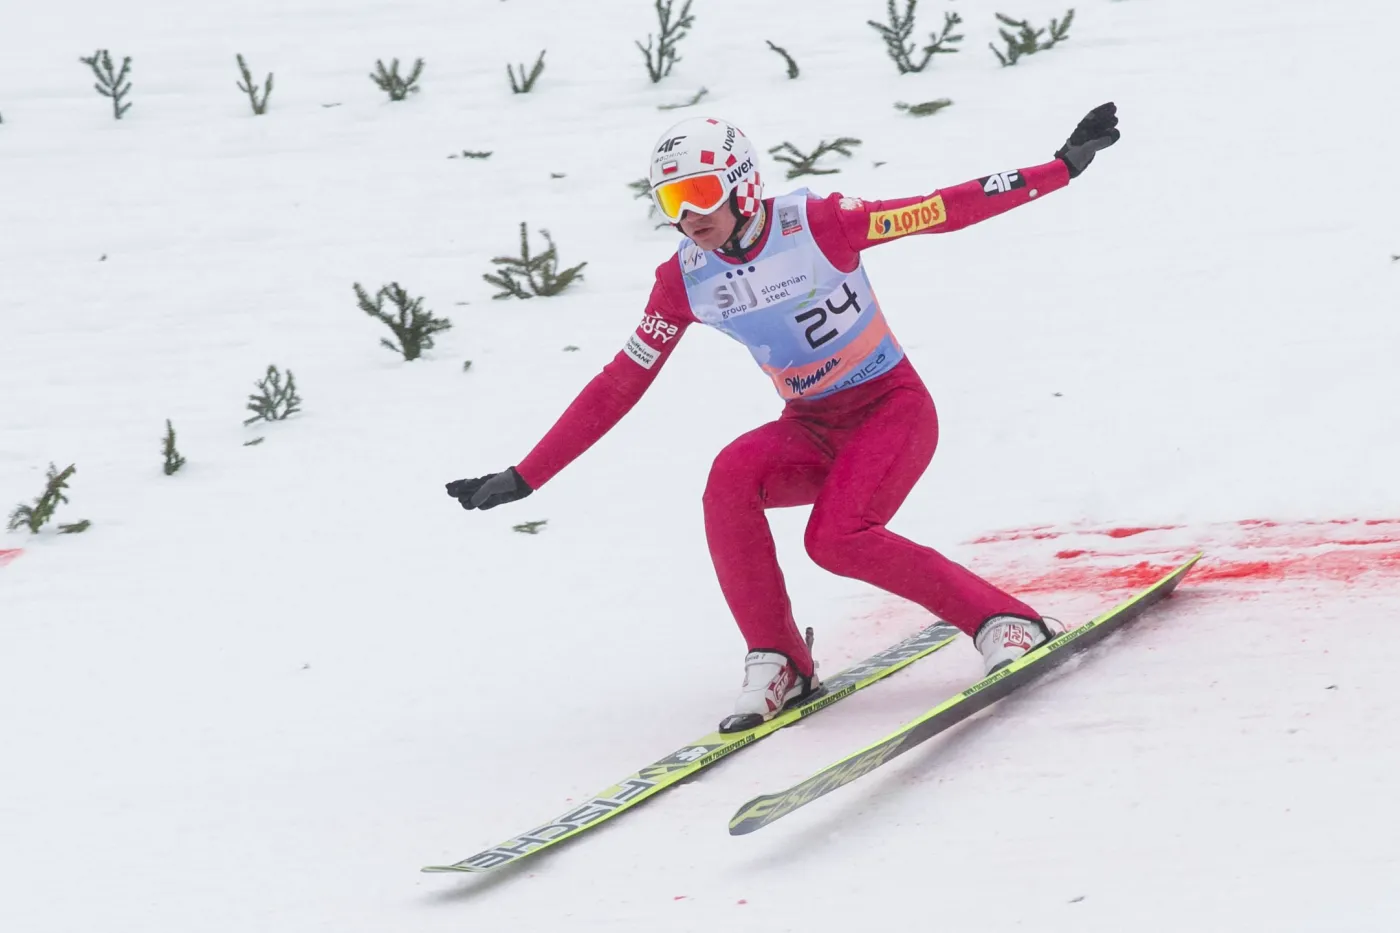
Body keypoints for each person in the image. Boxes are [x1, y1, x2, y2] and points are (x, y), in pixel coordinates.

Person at [447, 104, 1122, 733]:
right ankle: (778, 659)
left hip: (893, 411)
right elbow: (621, 380)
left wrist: (1058, 168)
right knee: (730, 478)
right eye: (672, 202)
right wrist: (525, 475)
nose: (690, 217)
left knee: (836, 536)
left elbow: (939, 209)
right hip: (812, 426)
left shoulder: (819, 223)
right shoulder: (682, 279)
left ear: (743, 186)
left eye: (701, 196)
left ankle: (1007, 621)